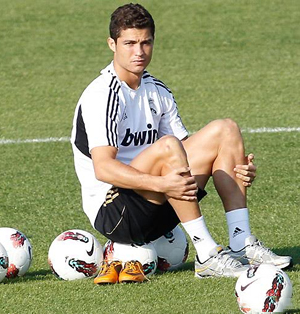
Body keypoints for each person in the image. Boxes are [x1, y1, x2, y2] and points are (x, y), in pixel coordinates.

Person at [70, 3, 292, 284]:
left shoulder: (157, 90)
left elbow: (189, 156)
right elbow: (104, 169)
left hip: (162, 200)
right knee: (168, 146)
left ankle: (241, 242)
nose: (139, 52)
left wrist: (236, 169)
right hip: (116, 213)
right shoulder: (103, 95)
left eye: (145, 42)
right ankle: (207, 255)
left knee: (226, 130)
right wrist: (164, 184)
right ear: (112, 44)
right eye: (129, 43)